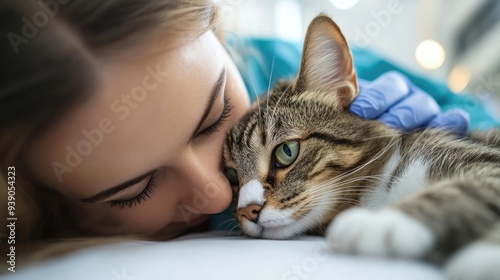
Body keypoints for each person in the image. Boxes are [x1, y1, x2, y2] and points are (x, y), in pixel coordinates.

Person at [0, 0, 493, 265]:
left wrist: (470, 127)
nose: (218, 196)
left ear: (219, 38)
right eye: (136, 189)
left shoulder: (287, 71)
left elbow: (479, 122)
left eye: (215, 118)